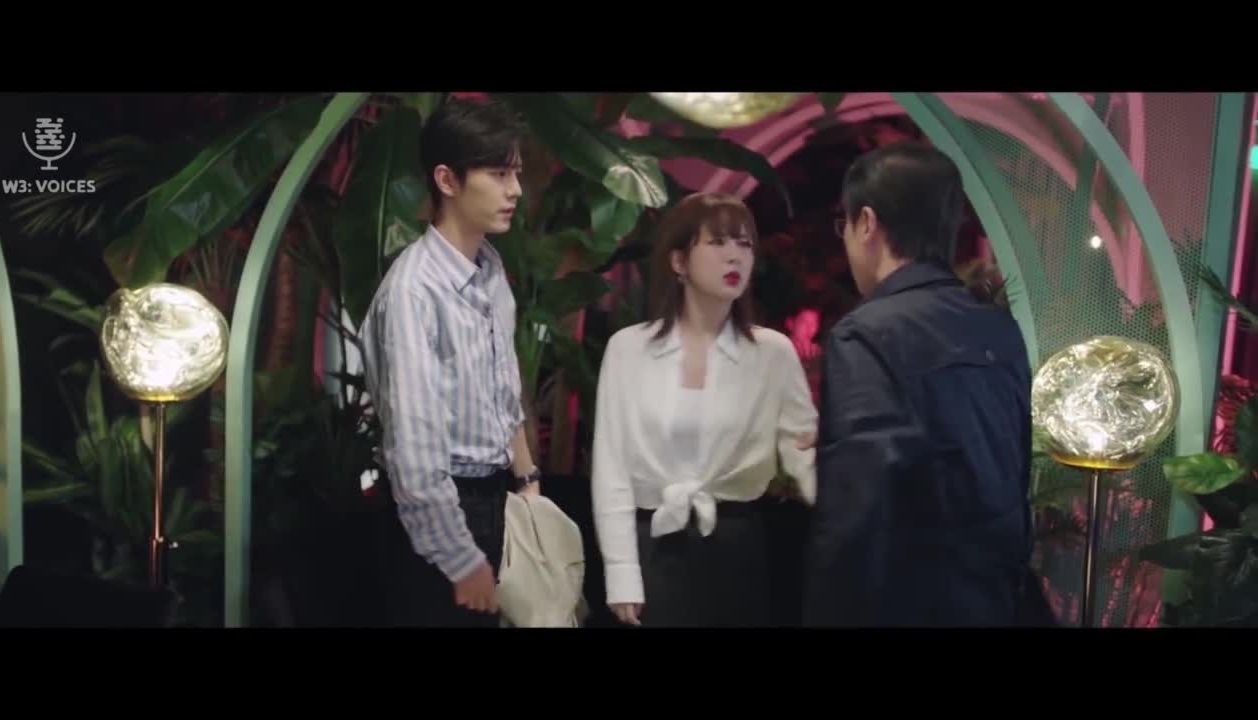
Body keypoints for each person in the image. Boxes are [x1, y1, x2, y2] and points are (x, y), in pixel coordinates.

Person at [803, 141, 1036, 627]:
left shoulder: (867, 333)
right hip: (989, 601)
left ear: (867, 223)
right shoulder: (997, 328)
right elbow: (1016, 478)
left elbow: (857, 510)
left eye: (845, 224)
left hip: (902, 604)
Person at [590, 192, 818, 627]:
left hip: (737, 547)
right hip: (655, 544)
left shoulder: (773, 352)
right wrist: (621, 572)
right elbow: (611, 471)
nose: (735, 256)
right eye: (718, 243)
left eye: (745, 244)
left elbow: (803, 452)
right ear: (679, 261)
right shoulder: (629, 349)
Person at [359, 97, 541, 628]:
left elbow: (503, 387)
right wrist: (460, 560)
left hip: (494, 497)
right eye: (498, 174)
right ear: (447, 180)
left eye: (516, 173)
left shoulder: (489, 268)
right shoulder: (415, 291)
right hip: (442, 516)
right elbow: (414, 451)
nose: (515, 190)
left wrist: (526, 476)